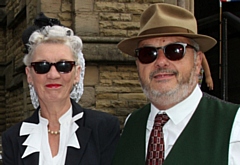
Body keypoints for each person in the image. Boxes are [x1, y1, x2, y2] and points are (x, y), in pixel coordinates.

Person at [112, 3, 240, 165]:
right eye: (148, 53)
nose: (161, 62)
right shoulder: (132, 124)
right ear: (138, 64)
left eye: (175, 50)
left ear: (198, 61)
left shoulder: (234, 127)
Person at [2, 14, 120, 165]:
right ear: (29, 75)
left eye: (63, 66)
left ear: (76, 73)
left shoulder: (103, 128)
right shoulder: (12, 138)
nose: (53, 75)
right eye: (42, 66)